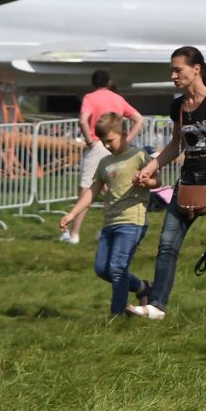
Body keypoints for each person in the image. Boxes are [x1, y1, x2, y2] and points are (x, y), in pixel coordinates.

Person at [132, 46, 206, 323]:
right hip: (187, 181)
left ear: (196, 69)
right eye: (172, 70)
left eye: (177, 69)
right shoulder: (177, 106)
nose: (173, 75)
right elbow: (175, 145)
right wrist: (151, 166)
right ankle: (157, 306)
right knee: (167, 244)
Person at [59, 112, 157, 317]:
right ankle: (142, 287)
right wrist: (72, 214)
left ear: (123, 133)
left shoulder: (138, 156)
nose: (108, 145)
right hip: (110, 222)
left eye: (110, 140)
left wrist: (147, 182)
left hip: (132, 221)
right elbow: (92, 191)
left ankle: (118, 314)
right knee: (102, 269)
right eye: (104, 142)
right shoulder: (104, 163)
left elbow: (157, 181)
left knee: (118, 267)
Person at [66, 70, 144, 245]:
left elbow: (82, 120)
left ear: (93, 83)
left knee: (86, 189)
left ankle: (74, 234)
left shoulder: (90, 98)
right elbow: (139, 119)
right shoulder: (118, 98)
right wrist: (126, 139)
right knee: (112, 190)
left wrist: (90, 141)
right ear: (109, 81)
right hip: (117, 146)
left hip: (98, 144)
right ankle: (108, 229)